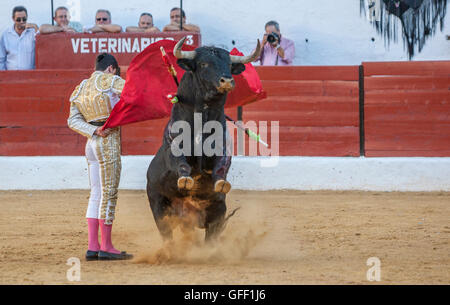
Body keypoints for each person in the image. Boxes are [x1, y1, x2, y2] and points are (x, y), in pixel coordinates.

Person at [67, 53, 132, 261]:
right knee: (109, 192)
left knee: (96, 192)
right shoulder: (110, 80)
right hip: (108, 139)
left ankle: (93, 246)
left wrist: (93, 131)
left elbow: (73, 121)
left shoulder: (81, 87)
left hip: (91, 142)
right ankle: (106, 246)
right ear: (111, 68)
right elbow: (134, 93)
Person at [0, 6, 39, 70]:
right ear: (13, 19)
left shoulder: (33, 33)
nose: (21, 22)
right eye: (18, 19)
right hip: (11, 76)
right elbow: (1, 59)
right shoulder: (5, 35)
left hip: (29, 76)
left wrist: (35, 27)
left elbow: (42, 45)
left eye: (24, 19)